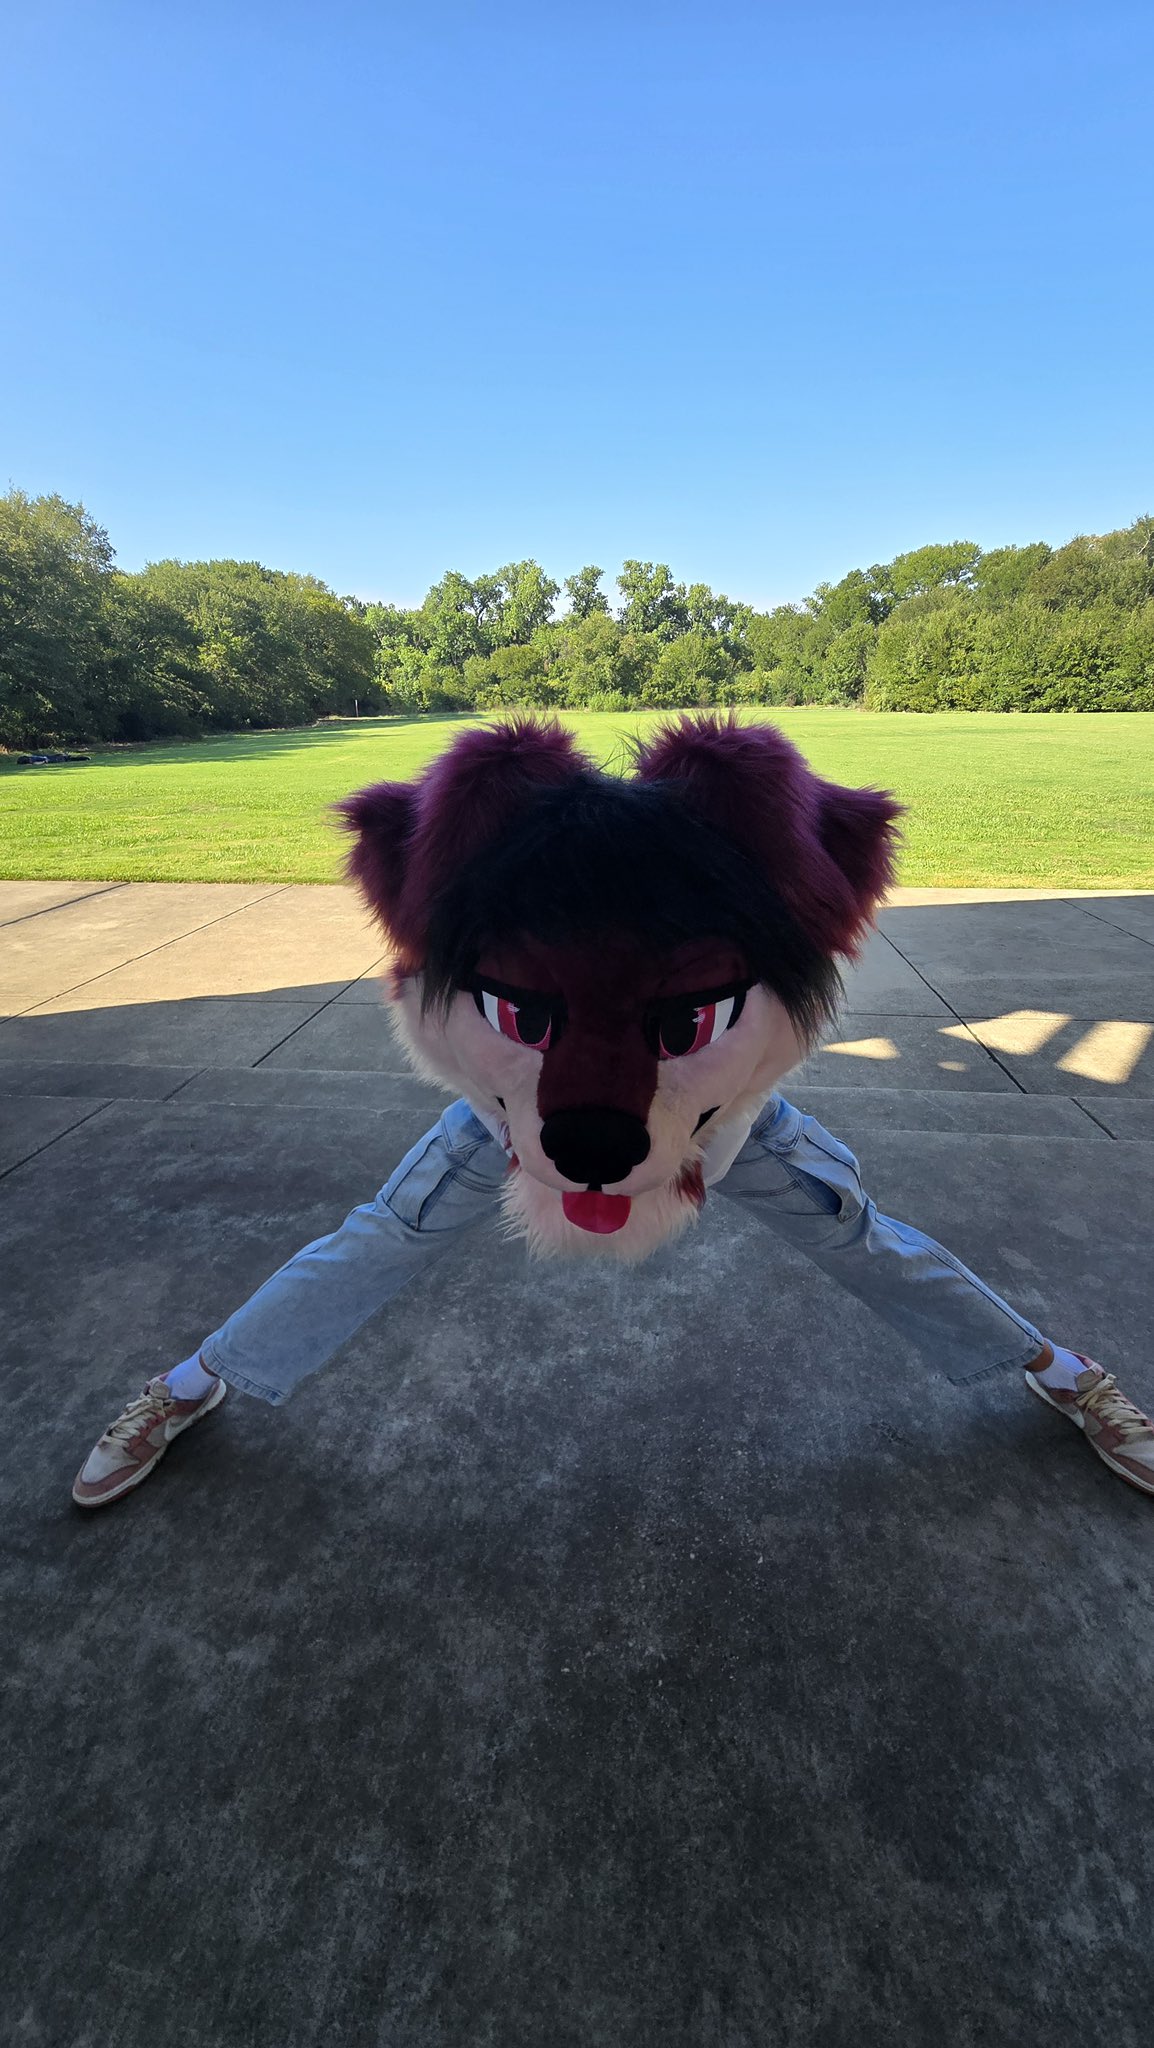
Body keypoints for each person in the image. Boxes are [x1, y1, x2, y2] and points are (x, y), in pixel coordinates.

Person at [72, 715, 1154, 1507]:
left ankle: (1063, 1375)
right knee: (375, 1240)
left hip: (719, 1125)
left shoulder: (727, 935)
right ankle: (188, 1385)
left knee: (866, 1239)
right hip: (510, 1126)